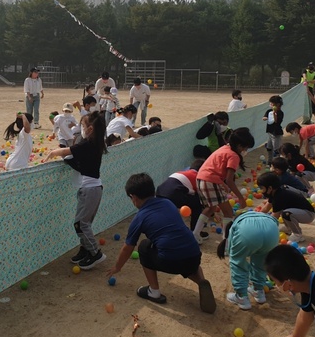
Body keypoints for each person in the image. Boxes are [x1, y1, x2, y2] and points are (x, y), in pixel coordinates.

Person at [107, 173, 216, 313]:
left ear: (133, 197)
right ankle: (201, 281)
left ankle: (154, 291)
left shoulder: (140, 217)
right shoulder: (168, 203)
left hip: (171, 260)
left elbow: (128, 248)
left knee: (144, 246)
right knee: (184, 252)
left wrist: (117, 267)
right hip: (195, 255)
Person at [44, 111, 108, 270]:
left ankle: (95, 253)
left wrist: (53, 152)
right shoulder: (96, 144)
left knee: (80, 224)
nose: (81, 128)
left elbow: (67, 151)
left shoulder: (88, 144)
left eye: (83, 126)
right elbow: (77, 161)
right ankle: (85, 250)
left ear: (91, 129)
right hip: (92, 188)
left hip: (90, 189)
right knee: (85, 223)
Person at [194, 127, 256, 243]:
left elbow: (215, 169)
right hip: (210, 181)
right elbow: (229, 180)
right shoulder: (234, 155)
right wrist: (240, 198)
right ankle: (226, 243)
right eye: (245, 147)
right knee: (228, 212)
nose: (245, 150)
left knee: (210, 208)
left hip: (200, 178)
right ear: (239, 146)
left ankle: (195, 234)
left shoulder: (224, 148)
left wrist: (223, 185)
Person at [217, 210, 279, 310]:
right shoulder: (260, 215)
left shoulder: (237, 224)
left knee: (238, 262)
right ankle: (259, 291)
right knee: (262, 261)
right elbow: (275, 222)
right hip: (272, 232)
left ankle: (241, 297)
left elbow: (235, 258)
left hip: (249, 232)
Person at [258, 172, 315, 242]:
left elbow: (274, 218)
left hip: (308, 214)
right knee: (284, 211)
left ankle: (297, 234)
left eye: (262, 188)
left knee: (286, 214)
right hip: (300, 211)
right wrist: (256, 217)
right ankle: (289, 228)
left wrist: (264, 231)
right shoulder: (275, 192)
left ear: (270, 188)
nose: (261, 191)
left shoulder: (279, 196)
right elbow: (266, 208)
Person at [155, 159, 204, 234]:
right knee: (198, 203)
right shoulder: (198, 177)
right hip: (174, 194)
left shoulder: (182, 172)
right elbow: (202, 196)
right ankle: (195, 232)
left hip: (159, 192)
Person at [263, 95, 284, 160]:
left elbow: (276, 121)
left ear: (277, 104)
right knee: (269, 148)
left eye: (272, 103)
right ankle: (270, 161)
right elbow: (263, 118)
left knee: (276, 150)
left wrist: (275, 114)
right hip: (270, 133)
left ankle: (277, 162)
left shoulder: (280, 113)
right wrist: (266, 118)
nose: (271, 105)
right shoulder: (269, 111)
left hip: (276, 134)